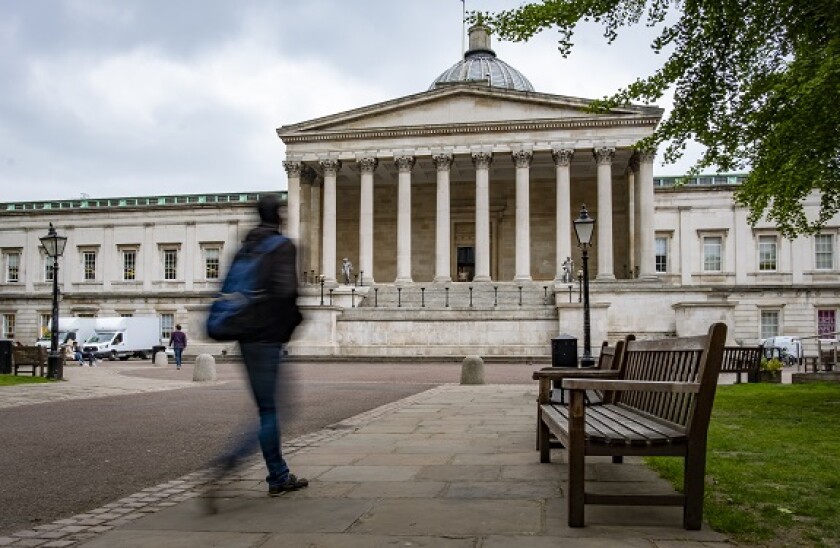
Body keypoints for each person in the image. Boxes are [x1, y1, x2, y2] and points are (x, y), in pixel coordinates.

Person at [205, 194, 306, 512]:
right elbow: (287, 294)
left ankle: (278, 476)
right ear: (278, 216)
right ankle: (228, 463)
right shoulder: (281, 246)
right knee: (273, 411)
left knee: (268, 409)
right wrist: (291, 325)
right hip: (266, 339)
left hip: (243, 337)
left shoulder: (246, 247)